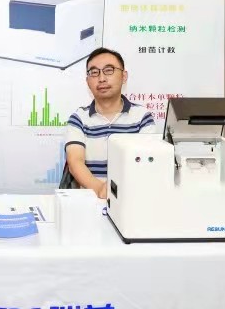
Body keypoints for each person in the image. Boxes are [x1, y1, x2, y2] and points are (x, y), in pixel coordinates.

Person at [64, 47, 157, 198]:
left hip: (131, 198)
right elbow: (75, 162)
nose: (101, 78)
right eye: (94, 72)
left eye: (108, 70)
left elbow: (147, 163)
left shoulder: (142, 117)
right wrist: (100, 189)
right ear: (87, 81)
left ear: (124, 76)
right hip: (91, 199)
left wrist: (116, 192)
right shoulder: (79, 118)